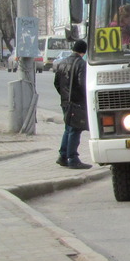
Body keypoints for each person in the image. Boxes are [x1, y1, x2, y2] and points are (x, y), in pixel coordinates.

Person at [54, 39, 91, 170]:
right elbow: (82, 84)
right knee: (75, 129)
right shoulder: (81, 64)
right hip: (76, 103)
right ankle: (73, 158)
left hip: (65, 102)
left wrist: (64, 96)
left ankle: (63, 156)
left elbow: (56, 83)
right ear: (84, 51)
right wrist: (85, 99)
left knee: (68, 128)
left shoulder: (62, 62)